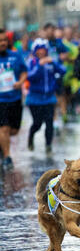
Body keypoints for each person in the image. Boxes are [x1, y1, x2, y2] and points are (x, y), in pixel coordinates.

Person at [26, 38, 66, 153]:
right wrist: (39, 65)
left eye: (43, 50)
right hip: (34, 98)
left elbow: (62, 71)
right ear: (35, 51)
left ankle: (48, 145)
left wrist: (52, 62)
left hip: (49, 98)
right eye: (39, 50)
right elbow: (30, 77)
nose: (41, 52)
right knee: (37, 123)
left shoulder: (51, 61)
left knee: (49, 122)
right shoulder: (31, 62)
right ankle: (31, 136)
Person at [0, 28, 27, 169]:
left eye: (4, 40)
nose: (3, 43)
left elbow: (24, 71)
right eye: (0, 41)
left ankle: (2, 143)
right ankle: (7, 157)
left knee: (14, 130)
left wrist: (20, 82)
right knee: (3, 128)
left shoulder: (15, 56)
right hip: (1, 100)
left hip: (15, 98)